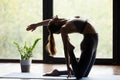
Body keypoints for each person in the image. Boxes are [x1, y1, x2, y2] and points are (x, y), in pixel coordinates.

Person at [26, 15, 98, 79]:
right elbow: (51, 22)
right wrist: (36, 25)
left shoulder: (64, 28)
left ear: (58, 28)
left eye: (58, 32)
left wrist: (68, 65)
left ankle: (60, 69)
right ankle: (59, 71)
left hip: (90, 41)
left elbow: (65, 48)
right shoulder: (67, 20)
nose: (60, 33)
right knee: (81, 74)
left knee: (82, 74)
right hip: (92, 40)